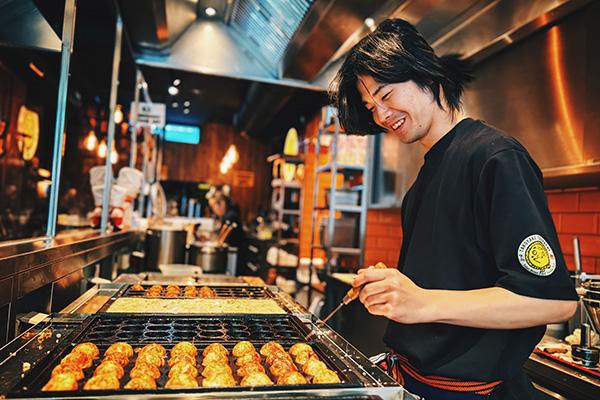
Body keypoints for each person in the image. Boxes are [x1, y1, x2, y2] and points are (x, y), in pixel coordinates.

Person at [331, 19, 577, 399]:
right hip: (412, 384)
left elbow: (552, 301)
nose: (380, 115)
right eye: (370, 106)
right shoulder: (421, 182)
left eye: (385, 94)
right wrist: (397, 287)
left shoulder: (495, 157)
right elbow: (450, 279)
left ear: (427, 77)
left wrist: (422, 301)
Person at [206, 185, 247, 273]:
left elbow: (225, 239)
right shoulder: (228, 215)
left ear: (222, 204)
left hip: (236, 256)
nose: (214, 210)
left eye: (213, 206)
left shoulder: (231, 216)